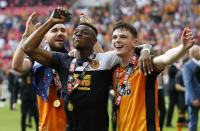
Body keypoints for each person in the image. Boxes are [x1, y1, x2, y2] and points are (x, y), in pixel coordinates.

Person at [21, 7, 152, 131]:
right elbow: (28, 48)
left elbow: (129, 48)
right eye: (76, 33)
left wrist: (145, 49)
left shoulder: (105, 60)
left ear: (94, 40)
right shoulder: (63, 60)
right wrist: (51, 22)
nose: (78, 35)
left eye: (84, 33)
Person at [111, 22, 195, 131]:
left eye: (123, 37)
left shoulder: (144, 64)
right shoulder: (114, 70)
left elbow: (166, 58)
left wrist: (182, 47)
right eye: (114, 37)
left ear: (134, 42)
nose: (117, 40)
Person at [12, 11, 66, 131]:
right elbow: (17, 66)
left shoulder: (72, 58)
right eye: (54, 30)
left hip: (69, 125)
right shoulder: (35, 59)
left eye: (63, 30)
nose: (60, 33)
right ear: (44, 37)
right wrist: (25, 38)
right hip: (45, 126)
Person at [182, 45, 200, 131]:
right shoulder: (187, 66)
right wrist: (194, 99)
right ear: (194, 53)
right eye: (199, 50)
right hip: (194, 99)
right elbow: (188, 83)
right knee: (193, 122)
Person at [175, 57, 190, 131]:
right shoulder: (180, 73)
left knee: (191, 115)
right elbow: (177, 86)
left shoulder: (191, 73)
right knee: (181, 116)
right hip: (182, 98)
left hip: (190, 97)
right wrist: (187, 89)